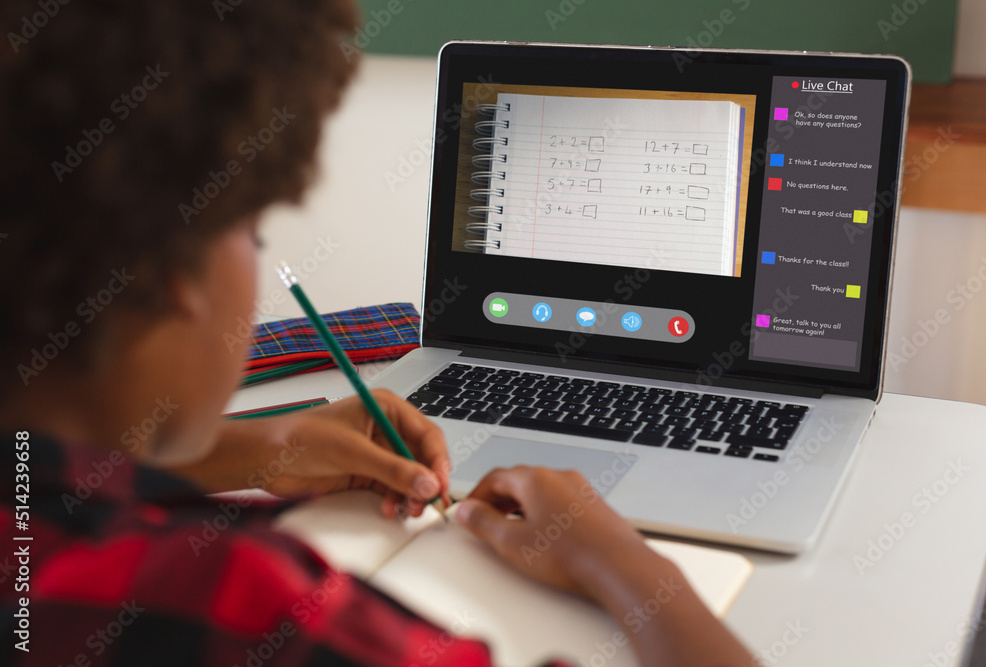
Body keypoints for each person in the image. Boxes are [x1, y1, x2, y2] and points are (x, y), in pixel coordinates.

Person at [0, 1, 754, 665]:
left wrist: (257, 447)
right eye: (253, 231)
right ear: (177, 279)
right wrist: (628, 566)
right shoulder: (242, 608)